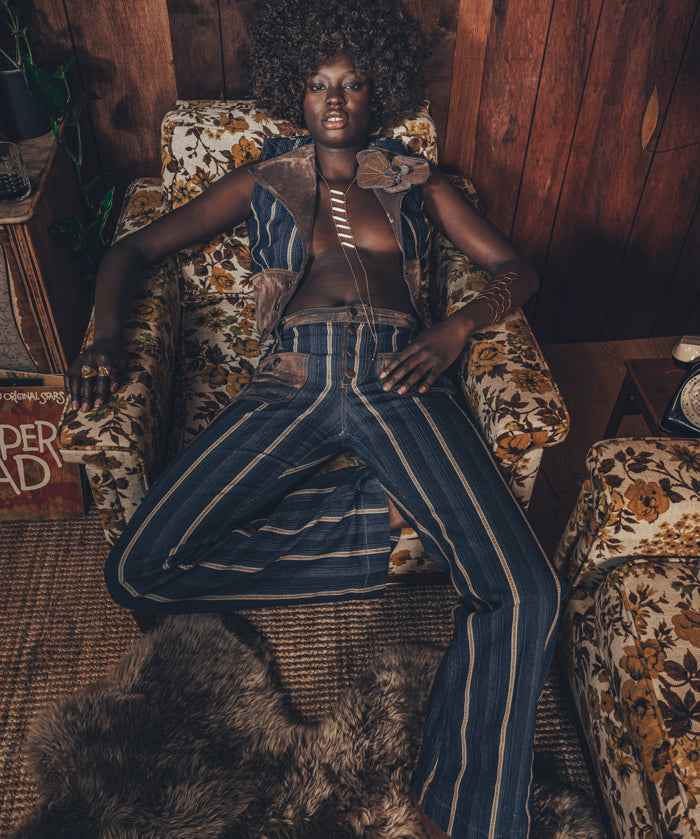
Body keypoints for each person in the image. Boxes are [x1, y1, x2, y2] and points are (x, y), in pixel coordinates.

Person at [64, 1, 564, 836]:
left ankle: (465, 813)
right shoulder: (264, 179)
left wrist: (454, 329)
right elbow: (132, 250)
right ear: (293, 91)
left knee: (525, 588)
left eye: (354, 82)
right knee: (136, 571)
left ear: (380, 91)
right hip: (290, 380)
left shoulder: (416, 178)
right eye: (317, 82)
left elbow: (518, 268)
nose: (335, 99)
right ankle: (383, 523)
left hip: (400, 377)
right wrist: (105, 337)